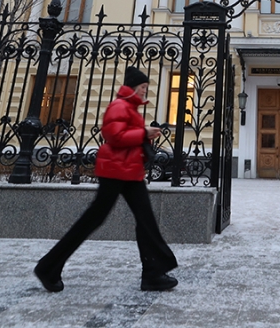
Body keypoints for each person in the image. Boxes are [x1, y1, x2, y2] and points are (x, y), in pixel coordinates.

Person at [34, 66, 178, 292]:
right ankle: (48, 266)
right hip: (115, 171)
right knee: (92, 221)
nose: (145, 92)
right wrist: (143, 133)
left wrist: (145, 131)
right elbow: (114, 135)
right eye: (143, 88)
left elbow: (127, 133)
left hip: (129, 171)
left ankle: (153, 273)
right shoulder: (119, 105)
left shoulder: (130, 108)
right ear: (133, 88)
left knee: (145, 221)